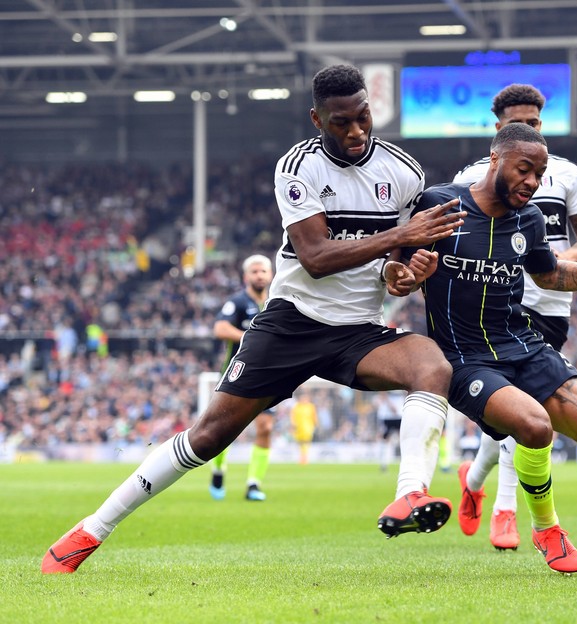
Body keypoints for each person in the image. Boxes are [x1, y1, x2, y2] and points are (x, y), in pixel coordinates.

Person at [41, 64, 467, 574]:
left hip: (359, 329)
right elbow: (314, 256)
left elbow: (393, 270)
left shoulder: (404, 173)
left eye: (362, 117)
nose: (355, 131)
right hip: (292, 321)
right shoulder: (298, 166)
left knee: (432, 366)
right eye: (340, 123)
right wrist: (401, 241)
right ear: (317, 119)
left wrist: (407, 272)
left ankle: (409, 495)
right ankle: (92, 529)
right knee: (208, 438)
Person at [402, 122, 577, 576]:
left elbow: (549, 275)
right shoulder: (439, 203)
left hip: (522, 343)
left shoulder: (527, 220)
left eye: (539, 174)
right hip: (464, 357)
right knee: (535, 426)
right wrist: (406, 276)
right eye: (524, 169)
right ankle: (547, 529)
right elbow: (399, 270)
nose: (531, 182)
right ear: (495, 159)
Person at [453, 83, 577, 551]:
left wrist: (549, 263)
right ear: (499, 129)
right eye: (519, 123)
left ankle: (473, 480)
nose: (529, 129)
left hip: (551, 305)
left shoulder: (567, 174)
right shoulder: (470, 178)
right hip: (494, 302)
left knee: (515, 420)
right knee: (523, 415)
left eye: (536, 123)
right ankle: (505, 512)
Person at [209, 254, 275, 501]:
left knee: (265, 428)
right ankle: (218, 470)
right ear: (247, 276)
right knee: (224, 428)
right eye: (255, 271)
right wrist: (250, 338)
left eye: (263, 271)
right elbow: (220, 328)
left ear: (270, 275)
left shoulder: (277, 302)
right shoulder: (237, 302)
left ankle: (253, 484)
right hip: (236, 372)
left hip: (269, 375)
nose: (259, 275)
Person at [290, 390, 319, 465]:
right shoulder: (297, 406)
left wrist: (316, 424)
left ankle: (304, 458)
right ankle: (302, 457)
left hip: (308, 427)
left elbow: (314, 416)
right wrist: (293, 425)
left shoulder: (311, 406)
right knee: (300, 442)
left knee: (306, 442)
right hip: (298, 427)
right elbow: (292, 416)